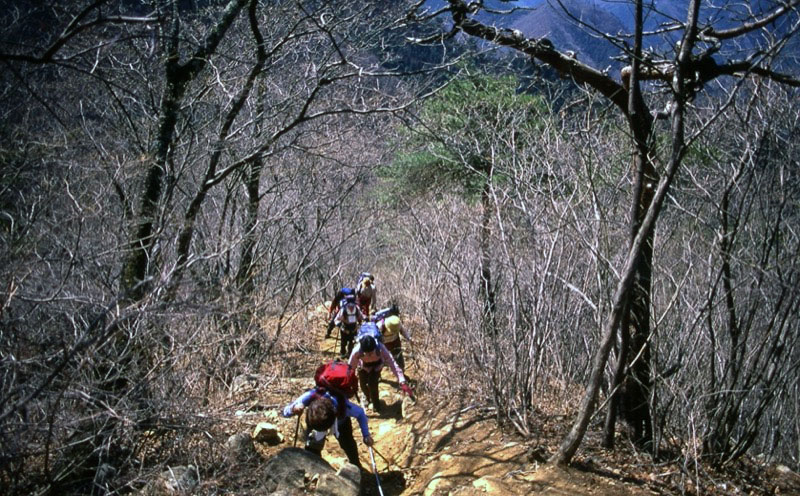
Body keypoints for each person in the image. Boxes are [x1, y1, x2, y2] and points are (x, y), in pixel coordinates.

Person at [282, 386, 373, 468]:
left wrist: (366, 435)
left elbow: (361, 413)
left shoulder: (343, 406)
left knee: (348, 444)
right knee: (312, 448)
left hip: (341, 422)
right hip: (316, 424)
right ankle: (313, 468)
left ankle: (356, 465)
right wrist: (293, 409)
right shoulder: (310, 396)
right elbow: (285, 412)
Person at [348, 325, 413, 413]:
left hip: (377, 366)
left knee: (373, 384)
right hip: (363, 366)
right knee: (363, 384)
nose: (369, 354)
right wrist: (348, 380)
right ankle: (367, 397)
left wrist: (401, 380)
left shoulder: (381, 348)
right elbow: (351, 367)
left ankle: (376, 404)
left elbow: (392, 363)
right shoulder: (357, 351)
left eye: (371, 352)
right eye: (367, 353)